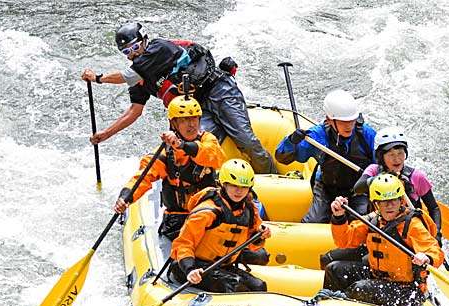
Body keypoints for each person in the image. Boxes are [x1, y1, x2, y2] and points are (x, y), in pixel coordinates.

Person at [81, 22, 277, 174]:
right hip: (195, 108)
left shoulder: (157, 49)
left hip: (218, 90)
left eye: (135, 47)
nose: (132, 54)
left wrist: (97, 78)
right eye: (126, 52)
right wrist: (106, 134)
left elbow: (127, 76)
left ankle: (271, 174)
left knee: (245, 139)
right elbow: (135, 111)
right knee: (195, 151)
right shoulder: (141, 79)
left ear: (144, 41)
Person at [323, 174, 444, 306]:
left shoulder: (412, 225)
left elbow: (435, 250)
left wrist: (427, 257)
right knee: (334, 270)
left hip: (407, 290)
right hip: (379, 278)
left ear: (401, 201)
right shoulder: (373, 221)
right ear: (376, 203)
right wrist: (339, 217)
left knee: (361, 288)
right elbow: (344, 241)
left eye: (394, 201)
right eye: (384, 201)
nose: (390, 206)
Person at [114, 95, 224, 240]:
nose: (191, 124)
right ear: (174, 124)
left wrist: (182, 145)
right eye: (184, 120)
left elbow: (217, 158)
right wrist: (125, 197)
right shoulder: (165, 154)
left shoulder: (208, 140)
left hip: (208, 213)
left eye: (194, 119)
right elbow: (142, 178)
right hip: (178, 219)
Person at [169, 159, 272, 292]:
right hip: (194, 266)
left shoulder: (249, 209)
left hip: (223, 264)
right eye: (234, 186)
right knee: (234, 286)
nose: (239, 191)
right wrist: (190, 269)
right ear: (224, 184)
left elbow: (252, 244)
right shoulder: (207, 211)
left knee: (259, 286)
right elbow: (183, 243)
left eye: (244, 187)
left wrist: (261, 235)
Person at [274, 90, 377, 223]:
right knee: (314, 220)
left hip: (358, 190)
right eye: (343, 122)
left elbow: (379, 166)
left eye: (351, 121)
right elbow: (282, 158)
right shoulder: (318, 136)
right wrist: (291, 142)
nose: (349, 126)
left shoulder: (367, 135)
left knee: (360, 220)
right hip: (327, 188)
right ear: (329, 119)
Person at [353, 126, 443, 245]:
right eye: (391, 155)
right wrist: (382, 178)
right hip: (378, 232)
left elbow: (434, 208)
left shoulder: (416, 177)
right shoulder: (374, 171)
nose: (397, 159)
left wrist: (437, 235)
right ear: (381, 156)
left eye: (400, 153)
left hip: (407, 236)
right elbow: (358, 188)